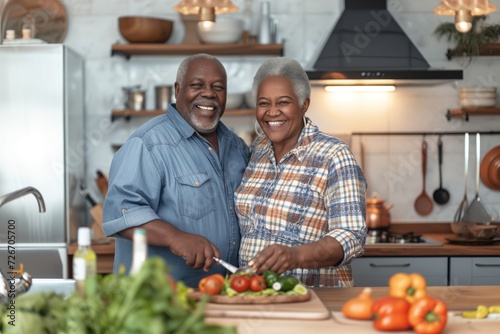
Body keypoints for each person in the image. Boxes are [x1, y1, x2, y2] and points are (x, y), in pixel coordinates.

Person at [103, 54, 250, 287]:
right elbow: (122, 213)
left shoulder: (237, 147)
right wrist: (174, 237)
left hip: (223, 296)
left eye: (218, 87)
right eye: (197, 85)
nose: (209, 93)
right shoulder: (148, 144)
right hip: (160, 305)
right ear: (178, 89)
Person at [235, 57, 367, 288]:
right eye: (264, 103)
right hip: (256, 297)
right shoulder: (257, 151)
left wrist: (295, 256)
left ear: (304, 104)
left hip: (313, 299)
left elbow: (351, 237)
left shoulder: (334, 156)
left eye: (283, 102)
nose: (272, 112)